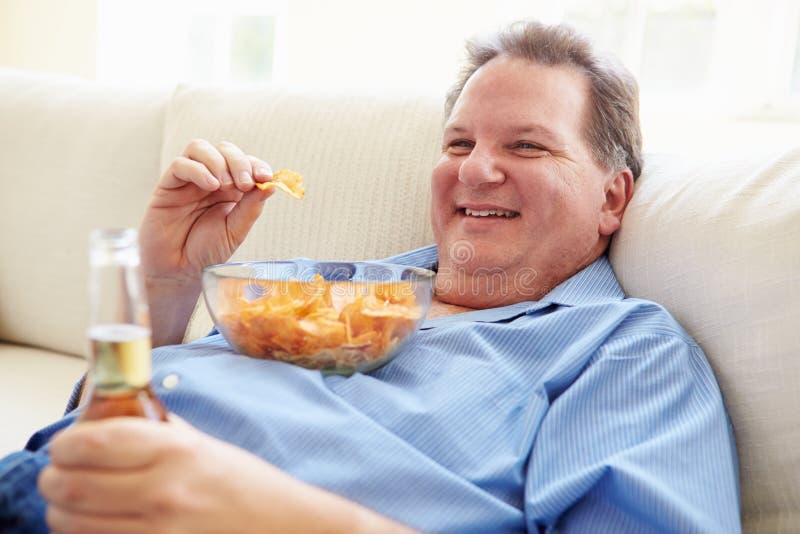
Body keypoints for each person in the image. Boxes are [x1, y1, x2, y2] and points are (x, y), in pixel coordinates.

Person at [0, 20, 740, 533]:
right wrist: (166, 285)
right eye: (458, 141)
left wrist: (266, 512)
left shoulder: (627, 352)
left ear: (612, 196)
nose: (476, 169)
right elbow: (106, 419)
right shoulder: (332, 284)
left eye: (527, 145)